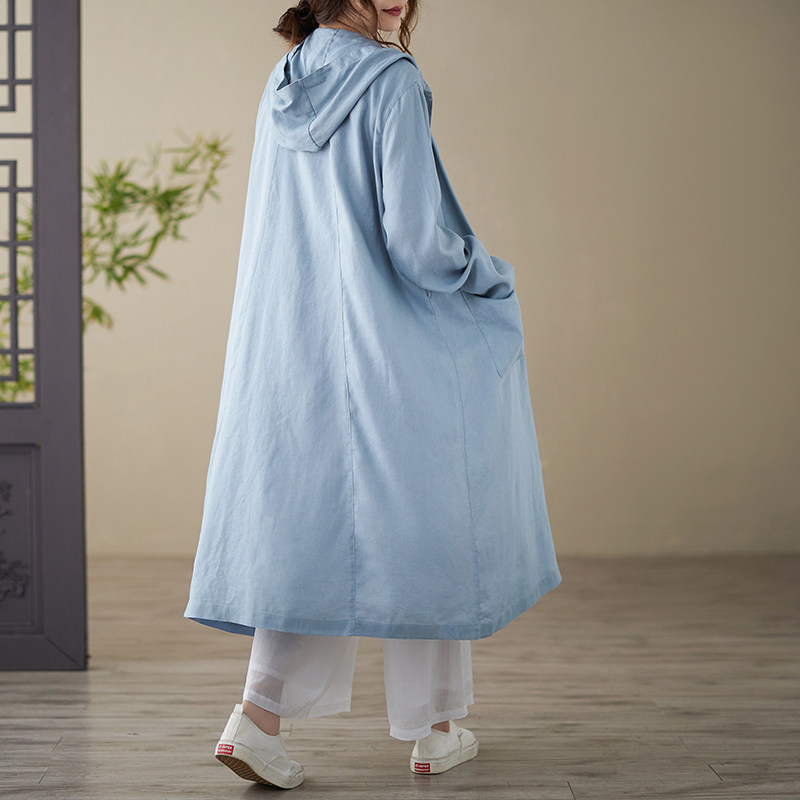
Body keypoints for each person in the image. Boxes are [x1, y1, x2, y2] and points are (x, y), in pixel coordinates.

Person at [183, 0, 562, 789]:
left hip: (300, 349)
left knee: (312, 531)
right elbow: (420, 244)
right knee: (431, 524)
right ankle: (436, 729)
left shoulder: (285, 79)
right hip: (392, 345)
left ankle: (255, 719)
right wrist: (488, 274)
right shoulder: (392, 80)